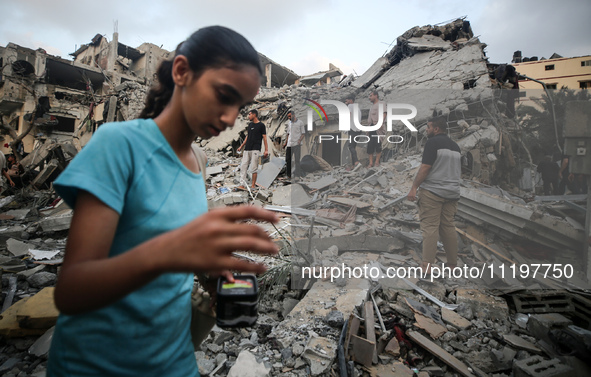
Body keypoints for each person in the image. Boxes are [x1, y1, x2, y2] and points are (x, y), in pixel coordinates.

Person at [47, 26, 279, 377]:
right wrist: (169, 252)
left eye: (240, 106)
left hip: (174, 361)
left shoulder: (198, 161)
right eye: (223, 95)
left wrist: (214, 274)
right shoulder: (118, 145)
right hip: (97, 365)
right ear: (182, 71)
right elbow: (71, 291)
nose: (231, 118)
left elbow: (176, 252)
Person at [407, 117, 461, 275]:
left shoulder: (432, 143)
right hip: (452, 193)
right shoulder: (455, 147)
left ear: (436, 129)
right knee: (448, 228)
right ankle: (452, 265)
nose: (427, 130)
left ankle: (426, 267)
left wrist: (414, 187)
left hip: (433, 192)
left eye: (429, 127)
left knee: (430, 227)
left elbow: (425, 167)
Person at [237, 109, 268, 188]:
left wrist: (266, 150)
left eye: (250, 114)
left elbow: (264, 138)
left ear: (254, 115)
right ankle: (242, 184)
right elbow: (247, 136)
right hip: (247, 149)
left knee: (254, 168)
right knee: (243, 166)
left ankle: (253, 185)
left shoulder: (261, 125)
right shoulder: (250, 125)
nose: (248, 116)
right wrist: (241, 146)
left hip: (255, 148)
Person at [366, 90, 387, 167]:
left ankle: (377, 162)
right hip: (371, 127)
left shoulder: (381, 104)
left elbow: (384, 113)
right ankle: (371, 163)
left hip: (378, 127)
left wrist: (381, 123)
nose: (369, 97)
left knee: (378, 145)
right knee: (370, 145)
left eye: (371, 95)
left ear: (376, 96)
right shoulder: (372, 107)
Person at [284, 111, 305, 179]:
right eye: (288, 117)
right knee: (288, 160)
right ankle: (289, 175)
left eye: (290, 116)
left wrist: (299, 140)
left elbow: (303, 133)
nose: (289, 118)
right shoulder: (289, 123)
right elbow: (288, 134)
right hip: (289, 145)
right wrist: (285, 143)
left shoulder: (300, 123)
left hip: (296, 144)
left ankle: (297, 175)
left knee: (297, 160)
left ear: (294, 115)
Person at [345, 95, 362, 168]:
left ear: (351, 100)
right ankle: (353, 165)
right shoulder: (357, 108)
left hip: (353, 130)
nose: (346, 102)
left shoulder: (350, 106)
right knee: (353, 147)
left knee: (351, 146)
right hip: (358, 130)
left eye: (347, 100)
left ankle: (356, 162)